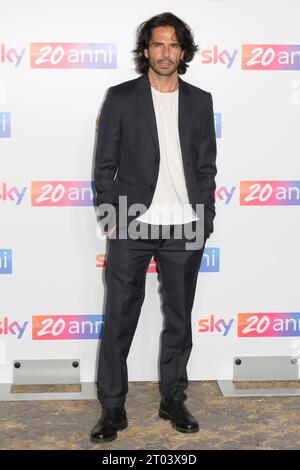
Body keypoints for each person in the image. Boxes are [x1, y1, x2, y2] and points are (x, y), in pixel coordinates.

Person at [91, 11, 217, 443]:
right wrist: (112, 217)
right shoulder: (122, 97)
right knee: (120, 318)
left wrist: (206, 218)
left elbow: (205, 168)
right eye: (158, 44)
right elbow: (104, 165)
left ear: (184, 52)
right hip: (132, 223)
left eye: (174, 45)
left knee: (179, 320)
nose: (166, 53)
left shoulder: (200, 101)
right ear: (146, 50)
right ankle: (112, 408)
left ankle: (173, 397)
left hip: (185, 226)